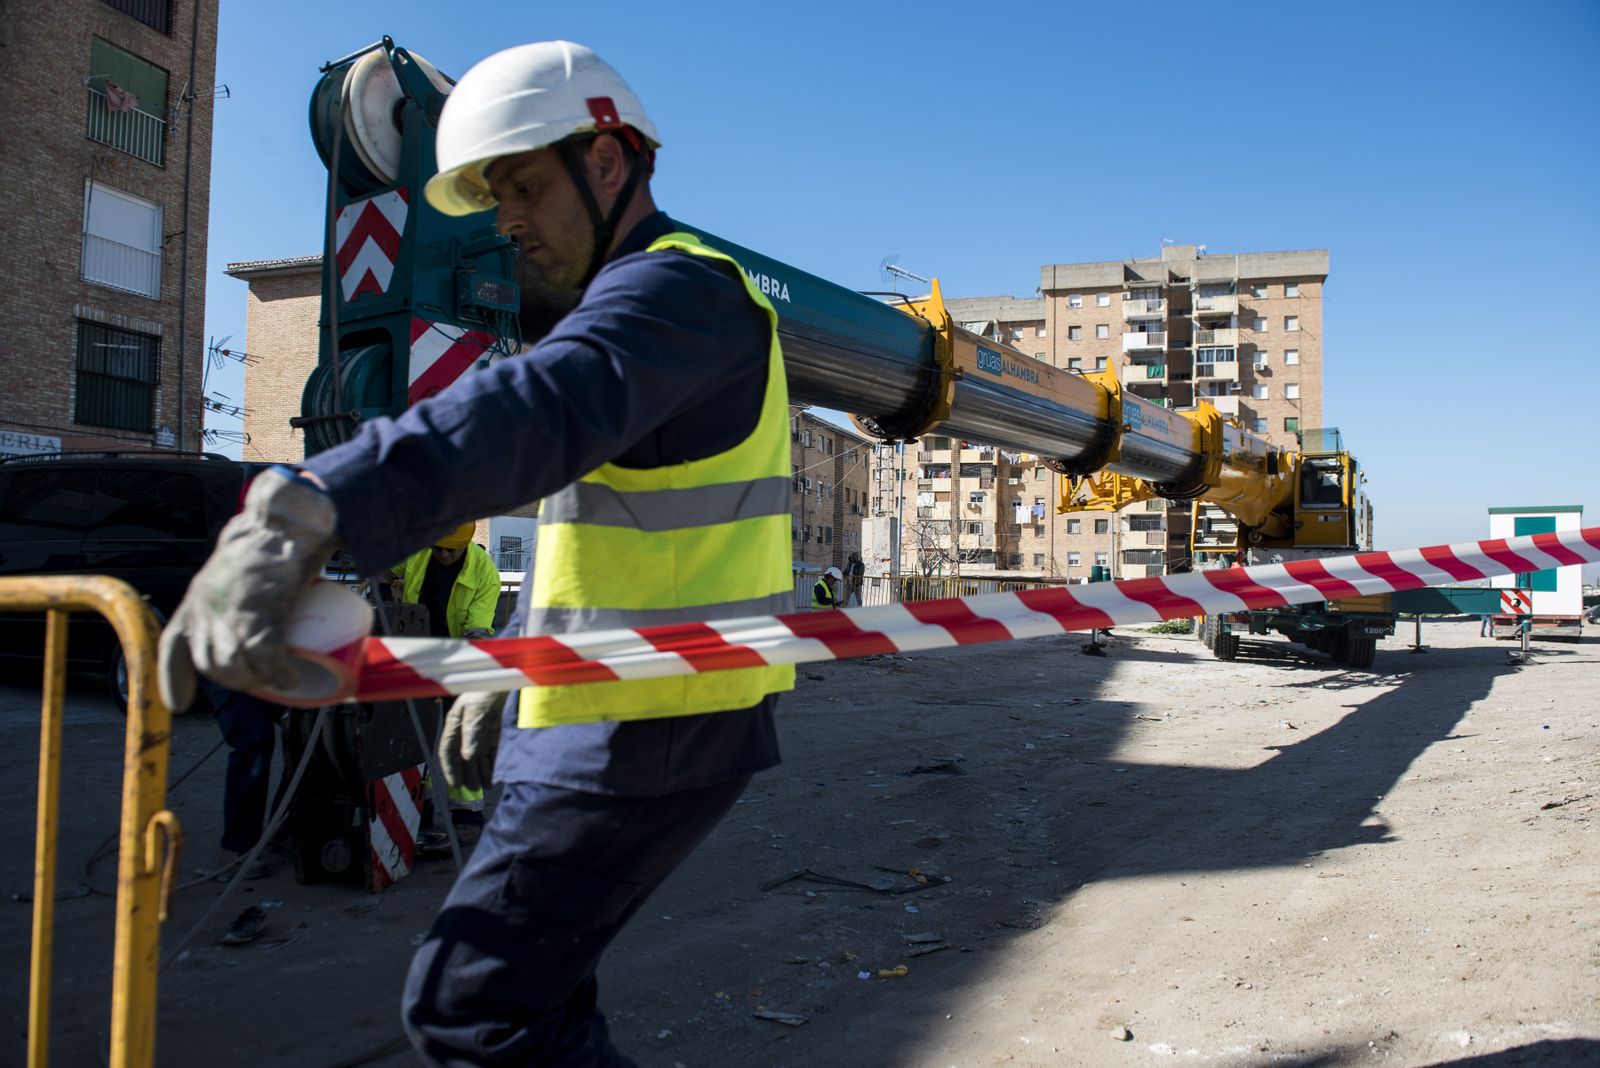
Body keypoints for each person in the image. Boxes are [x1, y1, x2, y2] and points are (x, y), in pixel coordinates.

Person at [158, 40, 793, 1067]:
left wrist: (315, 500)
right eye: (496, 198)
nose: (504, 223)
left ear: (607, 160)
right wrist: (522, 666)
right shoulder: (648, 307)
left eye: (524, 187)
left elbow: (529, 412)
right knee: (540, 1003)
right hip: (615, 706)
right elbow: (620, 547)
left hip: (647, 723)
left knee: (475, 1008)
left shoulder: (681, 291)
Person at [391, 522, 500, 841]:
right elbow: (387, 568)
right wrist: (384, 587)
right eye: (438, 548)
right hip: (418, 658)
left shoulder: (484, 572)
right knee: (414, 737)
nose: (443, 555)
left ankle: (467, 812)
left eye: (451, 550)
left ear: (465, 544)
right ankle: (417, 805)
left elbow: (478, 626)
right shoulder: (416, 553)